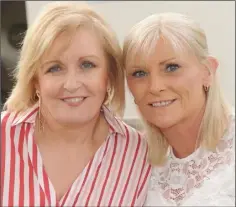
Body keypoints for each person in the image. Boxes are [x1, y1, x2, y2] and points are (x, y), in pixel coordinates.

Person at [1, 2, 151, 206]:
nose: (71, 84)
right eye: (54, 68)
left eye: (87, 65)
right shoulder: (4, 136)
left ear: (108, 75)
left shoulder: (140, 156)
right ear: (36, 80)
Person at [123, 12, 235, 206]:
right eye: (139, 73)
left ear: (207, 72)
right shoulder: (132, 160)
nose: (155, 86)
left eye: (171, 67)